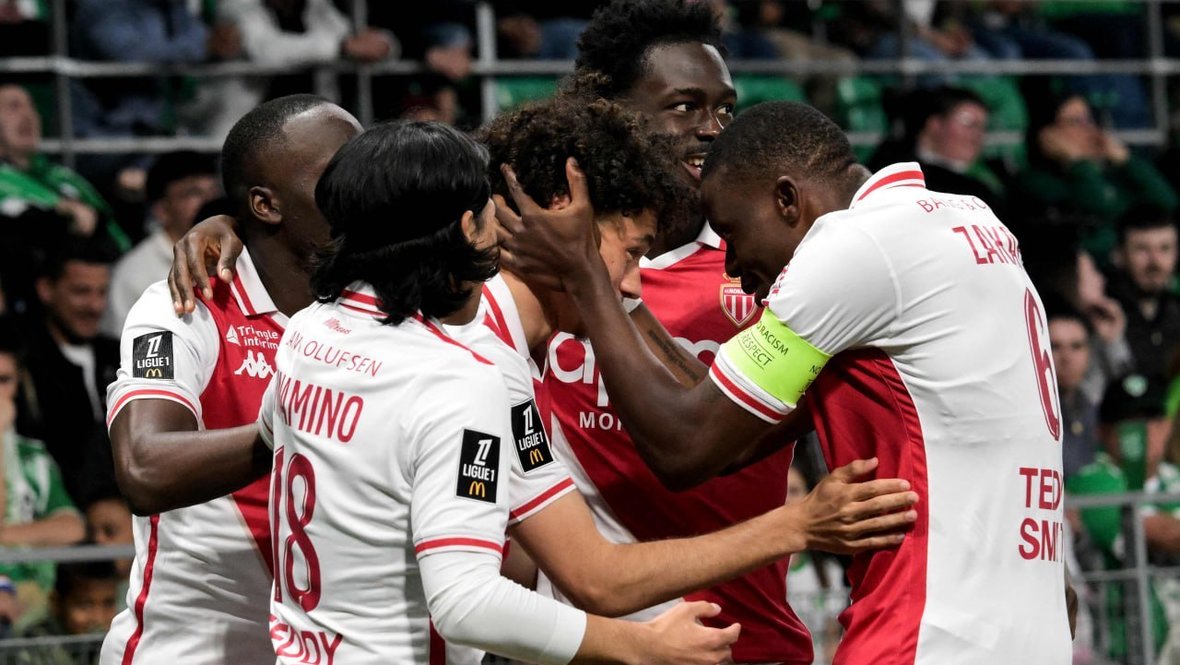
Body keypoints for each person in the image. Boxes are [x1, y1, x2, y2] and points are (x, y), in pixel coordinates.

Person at [159, 96, 915, 639]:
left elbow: (576, 569)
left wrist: (233, 227)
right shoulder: (468, 367)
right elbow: (537, 588)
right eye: (630, 253)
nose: (632, 286)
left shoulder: (324, 324)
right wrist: (794, 527)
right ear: (557, 219)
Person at [498, 100, 1074, 663]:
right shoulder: (969, 224)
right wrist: (628, 303)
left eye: (732, 231)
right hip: (1033, 619)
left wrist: (588, 274)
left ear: (786, 200)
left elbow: (684, 448)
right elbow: (733, 441)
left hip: (926, 631)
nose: (732, 266)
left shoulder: (854, 248)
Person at [259, 118, 738, 665]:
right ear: (470, 227)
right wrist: (641, 645)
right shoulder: (463, 375)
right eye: (489, 210)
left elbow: (281, 437)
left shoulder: (310, 330)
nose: (503, 222)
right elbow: (472, 601)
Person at [101, 95, 362, 664]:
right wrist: (291, 427)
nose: (362, 190)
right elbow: (144, 468)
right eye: (338, 177)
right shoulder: (184, 304)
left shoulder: (378, 304)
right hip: (190, 651)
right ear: (265, 204)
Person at [16, 241, 120, 506]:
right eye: (81, 292)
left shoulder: (122, 354)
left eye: (102, 292)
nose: (95, 306)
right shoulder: (22, 366)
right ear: (46, 289)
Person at [0, 325, 86, 625]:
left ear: (19, 384)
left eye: (4, 380)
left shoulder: (33, 456)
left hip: (36, 600)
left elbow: (72, 528)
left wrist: (6, 536)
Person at [102, 152, 221, 338]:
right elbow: (122, 346)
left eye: (213, 191)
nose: (209, 201)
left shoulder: (240, 254)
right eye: (193, 193)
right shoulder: (134, 274)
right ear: (162, 210)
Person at [1107, 206, 1180, 385]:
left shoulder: (1176, 313)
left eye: (1165, 248)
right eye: (1142, 249)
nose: (1155, 262)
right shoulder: (1102, 314)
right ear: (1119, 255)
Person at [16, 560, 120, 665]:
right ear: (56, 603)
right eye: (85, 605)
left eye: (109, 604)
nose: (99, 618)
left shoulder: (119, 632)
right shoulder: (33, 639)